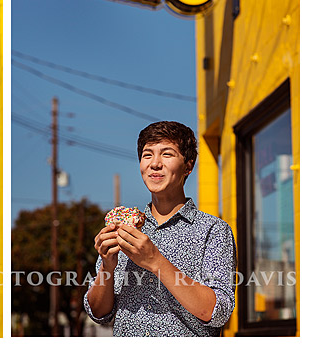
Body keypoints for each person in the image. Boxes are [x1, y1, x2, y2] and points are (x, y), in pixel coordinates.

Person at [84, 121, 235, 336]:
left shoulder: (214, 230)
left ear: (189, 165)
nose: (155, 164)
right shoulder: (125, 229)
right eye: (147, 155)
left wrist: (155, 261)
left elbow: (217, 311)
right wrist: (107, 266)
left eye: (167, 154)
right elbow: (98, 313)